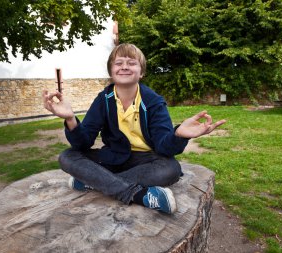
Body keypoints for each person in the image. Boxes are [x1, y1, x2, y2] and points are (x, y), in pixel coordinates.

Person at [42, 43, 226, 214]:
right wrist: (71, 119)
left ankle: (94, 181)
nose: (124, 66)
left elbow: (164, 148)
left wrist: (178, 135)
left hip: (145, 161)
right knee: (67, 156)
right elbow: (83, 143)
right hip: (112, 158)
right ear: (111, 71)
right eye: (118, 63)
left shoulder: (153, 101)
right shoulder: (103, 100)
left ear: (141, 72)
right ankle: (138, 195)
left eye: (131, 63)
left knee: (171, 168)